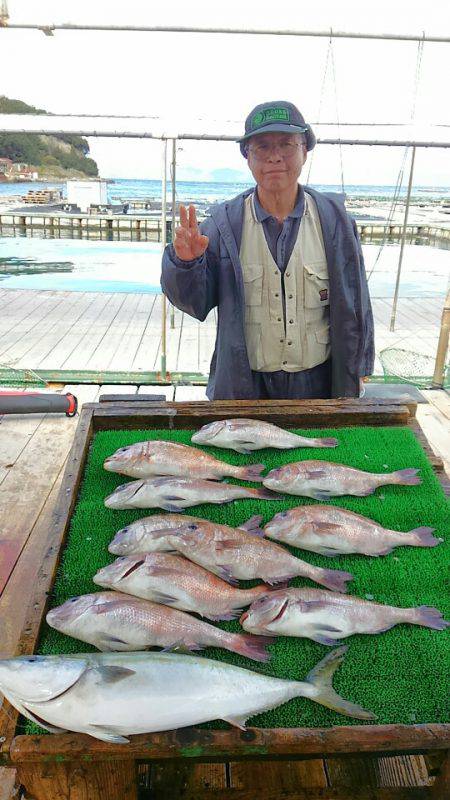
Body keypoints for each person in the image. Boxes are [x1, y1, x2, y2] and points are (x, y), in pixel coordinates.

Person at [161, 100, 374, 400]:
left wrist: (360, 366)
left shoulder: (335, 221)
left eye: (286, 144)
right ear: (247, 156)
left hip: (319, 383)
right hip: (246, 385)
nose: (275, 156)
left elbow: (357, 299)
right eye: (262, 147)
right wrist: (186, 264)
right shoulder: (223, 224)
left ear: (305, 150)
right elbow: (196, 303)